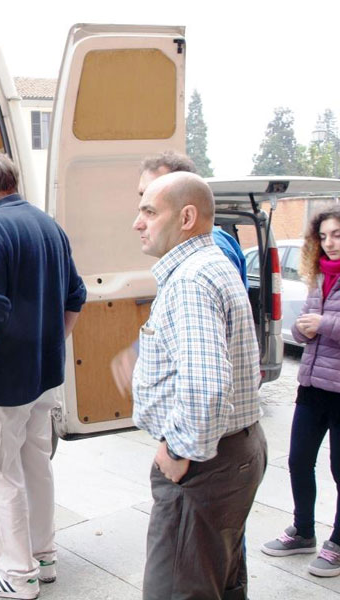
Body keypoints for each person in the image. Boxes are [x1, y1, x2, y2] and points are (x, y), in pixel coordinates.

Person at [0, 153, 86, 599]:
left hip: (3, 382)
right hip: (43, 378)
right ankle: (42, 557)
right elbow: (76, 297)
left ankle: (16, 572)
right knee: (35, 467)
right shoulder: (49, 226)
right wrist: (48, 344)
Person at [131, 172, 267, 600]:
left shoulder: (191, 279)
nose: (138, 222)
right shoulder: (210, 266)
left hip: (205, 465)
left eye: (149, 211)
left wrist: (177, 451)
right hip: (234, 451)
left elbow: (206, 386)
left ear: (187, 217)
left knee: (178, 590)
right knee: (220, 583)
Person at [111, 151, 248, 397]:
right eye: (142, 194)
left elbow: (207, 381)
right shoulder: (185, 259)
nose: (140, 211)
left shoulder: (200, 267)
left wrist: (175, 436)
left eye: (153, 195)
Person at [261, 209, 340, 577]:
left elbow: (325, 323)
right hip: (311, 386)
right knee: (297, 460)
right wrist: (304, 329)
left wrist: (323, 324)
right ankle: (303, 531)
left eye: (337, 235)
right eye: (323, 237)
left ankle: (337, 543)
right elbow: (304, 325)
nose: (329, 243)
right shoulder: (318, 277)